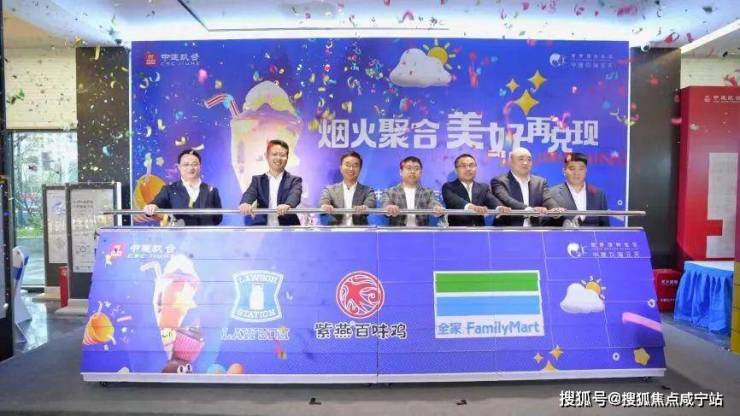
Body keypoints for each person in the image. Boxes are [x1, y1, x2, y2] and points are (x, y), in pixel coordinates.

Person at [144, 149, 222, 226]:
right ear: (179, 167)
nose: (190, 168)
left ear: (200, 166)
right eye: (186, 164)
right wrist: (152, 207)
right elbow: (157, 202)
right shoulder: (169, 189)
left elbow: (218, 218)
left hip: (205, 234)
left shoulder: (212, 191)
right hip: (178, 234)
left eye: (195, 164)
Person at [491, 147, 563, 226]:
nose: (525, 163)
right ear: (511, 161)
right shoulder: (499, 181)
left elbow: (547, 199)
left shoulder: (540, 182)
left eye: (529, 160)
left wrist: (555, 209)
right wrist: (529, 210)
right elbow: (507, 200)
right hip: (508, 229)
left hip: (534, 230)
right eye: (521, 159)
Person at [238, 139, 302, 226]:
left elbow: (295, 195)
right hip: (262, 228)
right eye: (274, 154)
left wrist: (288, 205)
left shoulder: (294, 180)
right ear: (266, 156)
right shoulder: (257, 180)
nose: (278, 158)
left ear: (287, 157)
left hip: (288, 227)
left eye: (282, 155)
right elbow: (250, 193)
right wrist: (245, 203)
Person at [442, 154, 510, 226]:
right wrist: (473, 208)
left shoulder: (483, 188)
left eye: (471, 165)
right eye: (463, 166)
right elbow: (456, 202)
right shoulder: (448, 187)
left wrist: (500, 207)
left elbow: (492, 201)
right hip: (457, 231)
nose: (468, 169)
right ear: (456, 170)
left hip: (479, 231)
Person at [549, 152, 610, 227]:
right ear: (564, 171)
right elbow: (544, 226)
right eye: (572, 168)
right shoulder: (552, 194)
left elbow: (605, 226)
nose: (576, 173)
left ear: (586, 171)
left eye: (581, 169)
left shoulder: (599, 195)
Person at [383, 156, 445, 227]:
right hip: (397, 232)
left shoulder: (428, 192)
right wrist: (389, 208)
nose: (412, 171)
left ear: (421, 173)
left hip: (422, 232)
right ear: (401, 172)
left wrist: (436, 208)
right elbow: (386, 205)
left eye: (416, 169)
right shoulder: (390, 192)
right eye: (409, 168)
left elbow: (433, 203)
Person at [319, 151, 376, 226]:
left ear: (360, 169)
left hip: (360, 231)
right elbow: (324, 201)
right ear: (341, 168)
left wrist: (365, 208)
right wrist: (325, 205)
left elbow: (370, 204)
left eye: (355, 165)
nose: (351, 169)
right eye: (347, 165)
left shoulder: (368, 190)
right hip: (336, 230)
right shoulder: (329, 189)